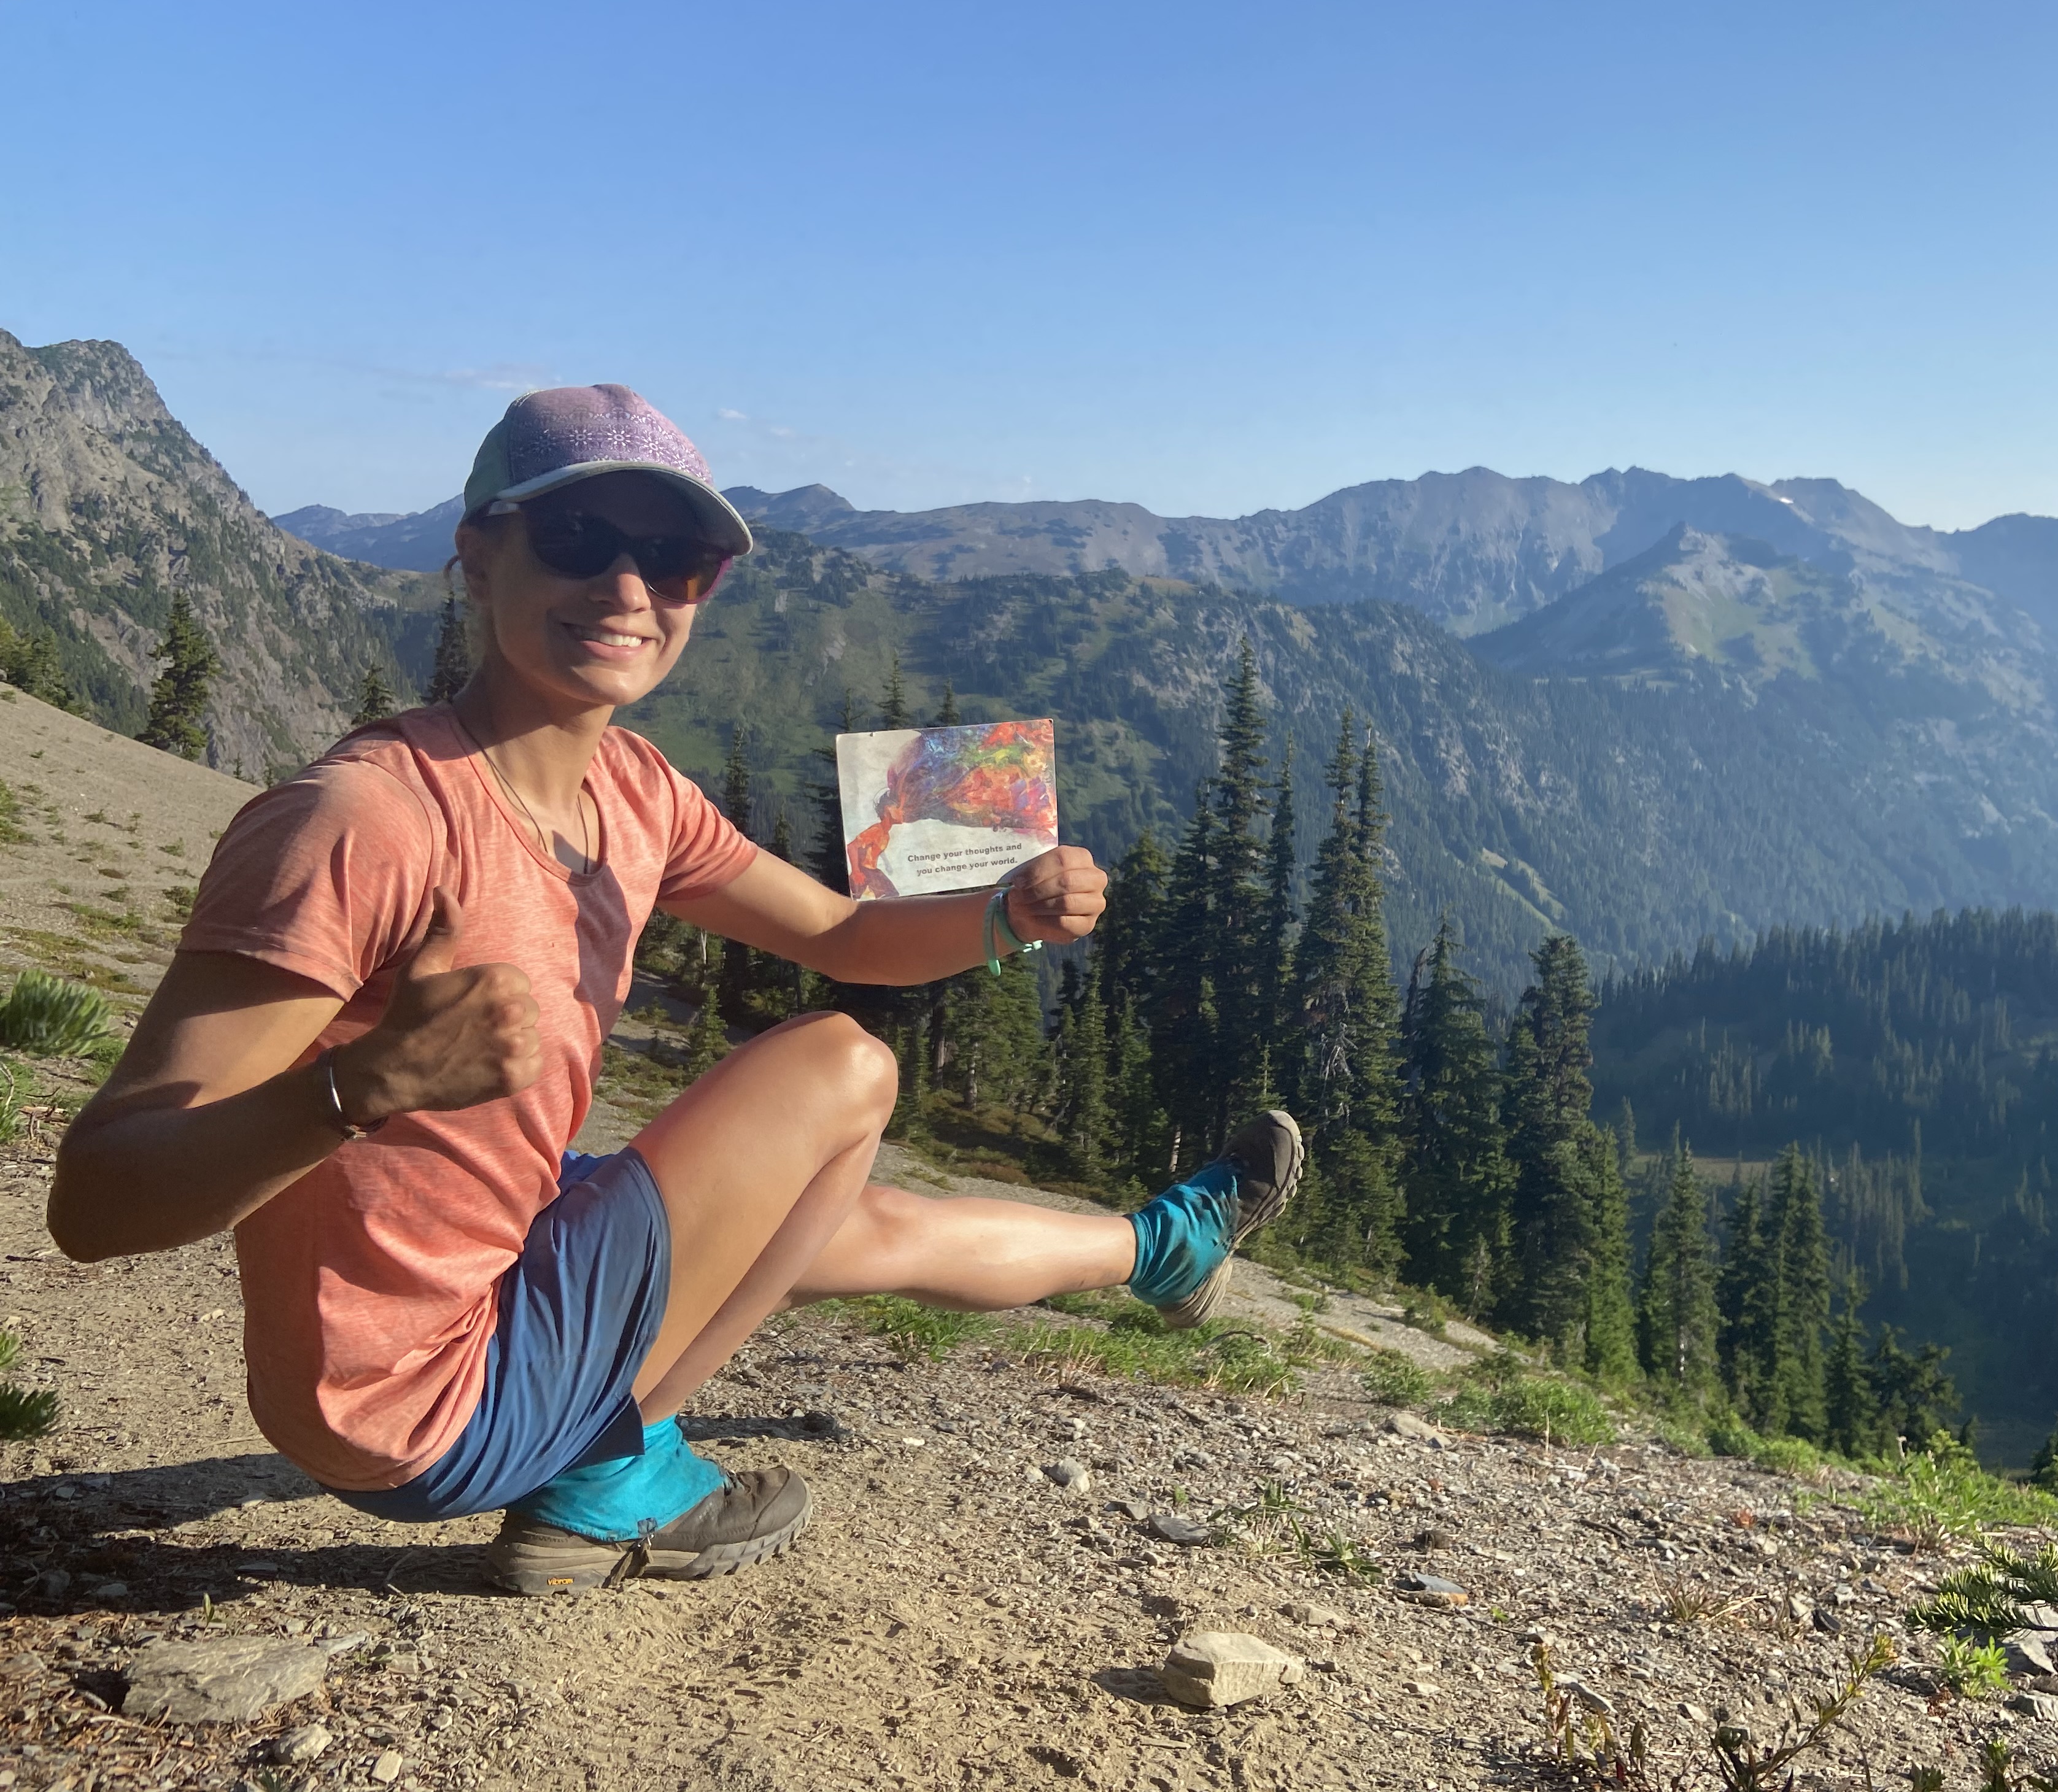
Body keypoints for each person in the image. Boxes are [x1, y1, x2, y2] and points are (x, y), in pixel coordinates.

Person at [49, 385, 1302, 1596]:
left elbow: (849, 938)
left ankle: (1163, 1251)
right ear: (479, 557)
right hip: (418, 1407)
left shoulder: (632, 791)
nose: (629, 589)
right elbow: (97, 1203)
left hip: (500, 1284)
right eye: (579, 538)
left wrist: (1002, 917)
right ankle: (614, 1477)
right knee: (841, 1070)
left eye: (678, 556)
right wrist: (352, 1090)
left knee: (830, 1218)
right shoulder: (363, 821)